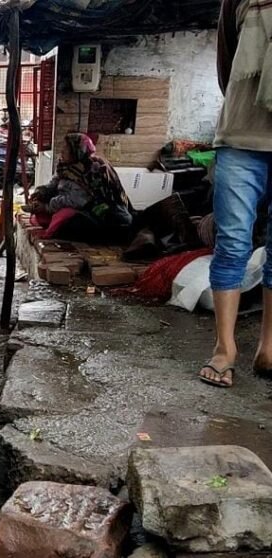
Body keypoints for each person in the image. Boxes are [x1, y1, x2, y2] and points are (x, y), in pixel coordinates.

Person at [198, 0, 272, 388]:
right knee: (232, 242)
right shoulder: (238, 2)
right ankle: (225, 348)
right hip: (241, 136)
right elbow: (226, 64)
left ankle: (268, 348)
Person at [26, 133, 131, 241]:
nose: (62, 151)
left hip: (98, 213)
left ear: (77, 151)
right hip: (76, 208)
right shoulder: (65, 168)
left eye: (66, 148)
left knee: (71, 224)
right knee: (46, 211)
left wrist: (47, 207)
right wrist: (41, 192)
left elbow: (77, 200)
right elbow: (54, 184)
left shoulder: (90, 171)